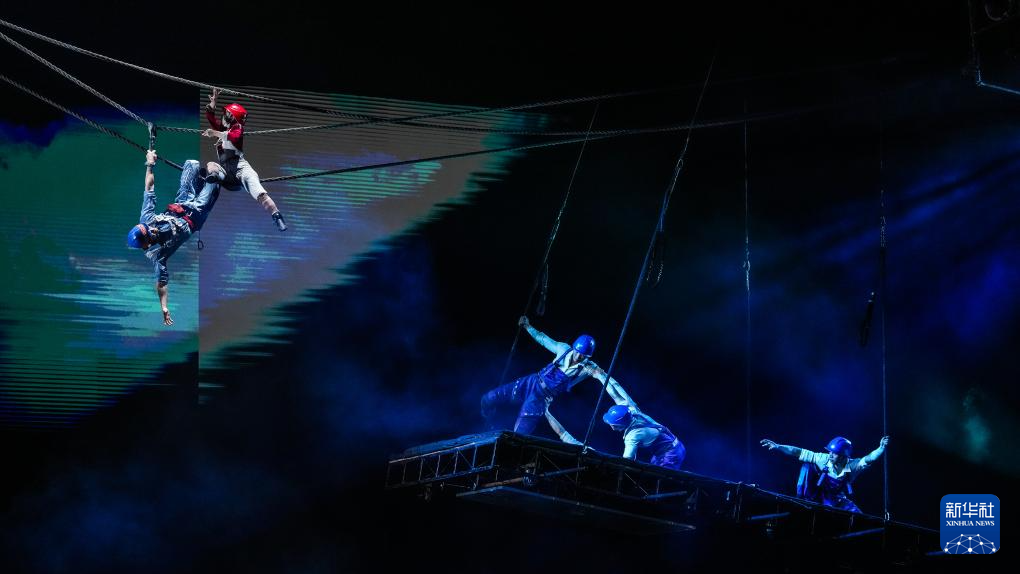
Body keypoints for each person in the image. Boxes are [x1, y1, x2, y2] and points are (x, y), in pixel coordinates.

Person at [480, 316, 634, 440]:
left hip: (541, 398)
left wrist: (623, 400)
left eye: (583, 356)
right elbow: (543, 339)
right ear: (574, 348)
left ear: (588, 356)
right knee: (489, 398)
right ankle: (488, 420)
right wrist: (527, 326)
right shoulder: (563, 349)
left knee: (520, 433)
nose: (578, 357)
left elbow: (610, 382)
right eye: (577, 352)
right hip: (531, 382)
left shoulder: (589, 367)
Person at [126, 150, 224, 326]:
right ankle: (214, 180)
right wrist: (164, 307)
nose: (152, 229)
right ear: (146, 244)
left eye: (148, 228)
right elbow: (161, 283)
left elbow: (149, 187)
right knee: (214, 172)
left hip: (182, 202)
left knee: (192, 164)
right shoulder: (157, 254)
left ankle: (203, 181)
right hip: (196, 215)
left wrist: (150, 164)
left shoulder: (146, 219)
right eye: (150, 233)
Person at [203, 88, 287, 231]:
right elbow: (212, 119)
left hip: (240, 168)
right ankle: (212, 179)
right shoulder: (224, 129)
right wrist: (213, 103)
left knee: (259, 192)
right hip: (227, 172)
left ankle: (276, 215)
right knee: (211, 165)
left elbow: (233, 136)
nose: (224, 115)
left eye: (227, 113)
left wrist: (215, 133)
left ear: (233, 116)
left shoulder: (238, 128)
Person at [760, 435, 889, 513]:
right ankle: (803, 501)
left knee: (860, 518)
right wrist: (778, 446)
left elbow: (869, 458)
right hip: (819, 497)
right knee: (807, 465)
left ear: (844, 456)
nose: (830, 455)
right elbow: (798, 452)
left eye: (834, 453)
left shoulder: (853, 466)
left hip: (838, 499)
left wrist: (881, 448)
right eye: (830, 452)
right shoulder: (823, 458)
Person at [602, 404, 686, 470]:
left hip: (671, 453)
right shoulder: (632, 410)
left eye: (614, 425)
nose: (612, 427)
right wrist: (605, 385)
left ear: (621, 424)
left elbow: (627, 459)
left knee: (661, 479)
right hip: (671, 446)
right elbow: (616, 395)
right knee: (652, 471)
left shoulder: (633, 436)